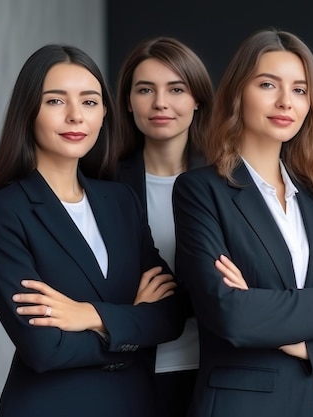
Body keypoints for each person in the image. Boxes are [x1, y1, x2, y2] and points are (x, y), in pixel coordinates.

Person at [172, 29, 313, 417]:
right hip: (244, 404)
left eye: (301, 90)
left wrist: (309, 345)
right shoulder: (201, 191)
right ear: (239, 92)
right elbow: (230, 315)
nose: (286, 101)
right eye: (268, 84)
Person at [0, 44, 184, 417]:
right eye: (55, 102)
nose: (75, 116)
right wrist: (132, 321)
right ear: (28, 112)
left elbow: (171, 315)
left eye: (89, 102)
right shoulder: (1, 212)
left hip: (135, 404)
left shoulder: (121, 201)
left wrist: (88, 316)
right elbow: (44, 348)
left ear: (104, 113)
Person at [114, 36, 214, 417]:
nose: (160, 103)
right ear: (127, 101)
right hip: (131, 369)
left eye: (176, 89)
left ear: (197, 99)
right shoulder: (103, 184)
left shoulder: (229, 183)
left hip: (211, 370)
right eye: (145, 90)